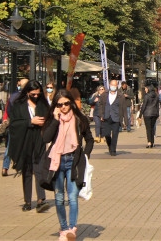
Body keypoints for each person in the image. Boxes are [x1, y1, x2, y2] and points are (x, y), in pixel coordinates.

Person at [42, 89, 94, 241]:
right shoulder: (54, 119)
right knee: (58, 198)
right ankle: (63, 228)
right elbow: (46, 138)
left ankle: (72, 228)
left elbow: (89, 139)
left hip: (73, 161)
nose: (64, 107)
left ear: (71, 103)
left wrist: (85, 155)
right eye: (60, 104)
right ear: (56, 105)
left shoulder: (79, 119)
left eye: (66, 103)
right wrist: (55, 120)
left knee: (72, 197)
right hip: (57, 161)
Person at [8, 80, 50, 212]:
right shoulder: (19, 105)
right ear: (27, 92)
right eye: (33, 94)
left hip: (39, 140)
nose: (36, 96)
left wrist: (45, 123)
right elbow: (14, 124)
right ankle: (27, 200)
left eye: (38, 94)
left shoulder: (43, 104)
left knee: (39, 169)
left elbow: (50, 120)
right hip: (24, 141)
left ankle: (41, 199)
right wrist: (30, 121)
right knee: (27, 170)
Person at [1, 78, 28, 177]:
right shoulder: (27, 97)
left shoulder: (12, 96)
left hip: (13, 123)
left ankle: (5, 167)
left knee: (9, 146)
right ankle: (22, 166)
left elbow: (7, 110)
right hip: (24, 124)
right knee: (25, 145)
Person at [98, 79, 127, 156]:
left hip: (116, 118)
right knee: (106, 134)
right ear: (109, 85)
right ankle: (110, 146)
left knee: (115, 135)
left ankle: (113, 150)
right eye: (111, 85)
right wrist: (101, 115)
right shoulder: (104, 94)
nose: (113, 86)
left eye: (114, 85)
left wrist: (126, 121)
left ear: (117, 86)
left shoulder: (121, 96)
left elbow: (124, 108)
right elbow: (100, 105)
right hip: (106, 117)